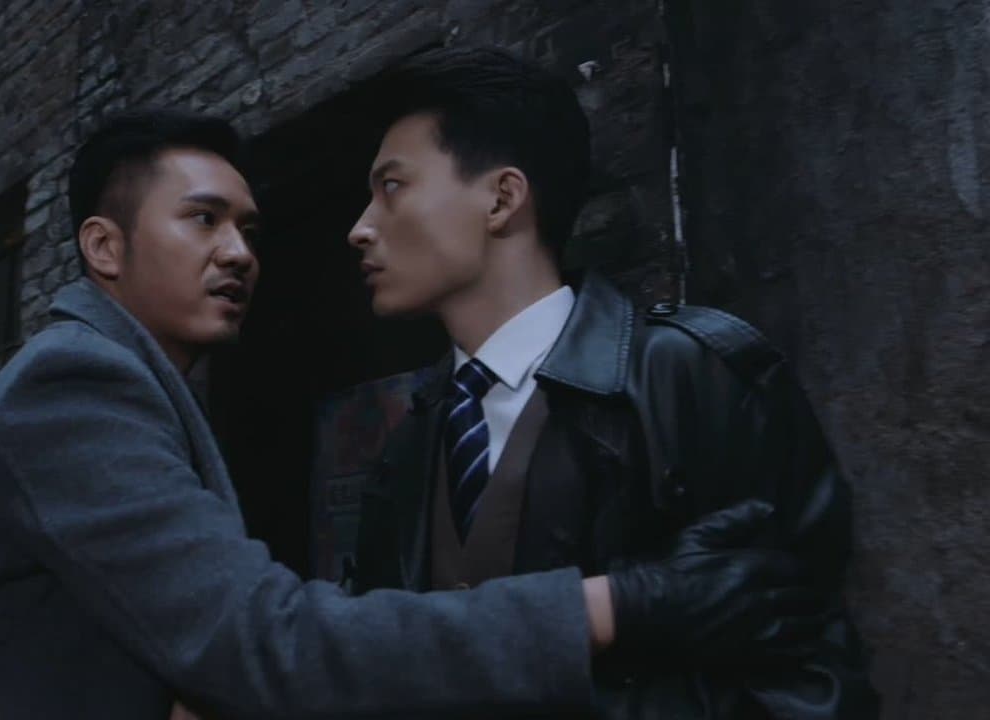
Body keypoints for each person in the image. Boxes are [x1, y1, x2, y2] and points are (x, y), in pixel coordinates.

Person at [0, 109, 818, 719]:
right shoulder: (76, 383)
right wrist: (617, 606)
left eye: (247, 229)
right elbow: (264, 643)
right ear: (104, 247)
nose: (239, 253)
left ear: (504, 200)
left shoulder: (687, 368)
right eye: (203, 220)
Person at [347, 46, 878, 717]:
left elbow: (810, 677)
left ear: (502, 198)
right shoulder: (411, 443)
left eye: (392, 186)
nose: (360, 228)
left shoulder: (686, 374)